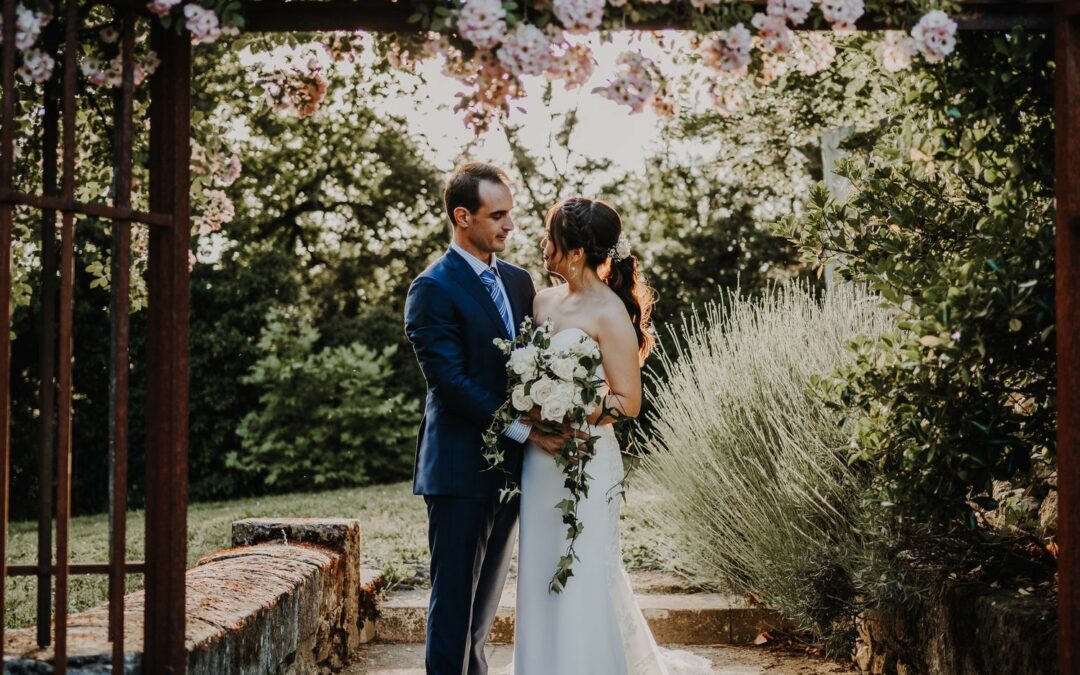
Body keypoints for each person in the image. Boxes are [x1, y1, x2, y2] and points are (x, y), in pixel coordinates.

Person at [510, 197, 713, 674]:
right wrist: (535, 411)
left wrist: (570, 411)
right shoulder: (541, 302)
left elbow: (627, 400)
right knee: (541, 565)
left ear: (575, 251)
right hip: (541, 461)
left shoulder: (610, 313)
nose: (543, 244)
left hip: (585, 458)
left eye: (551, 236)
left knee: (581, 568)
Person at [404, 162, 573, 675]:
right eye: (497, 215)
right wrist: (526, 430)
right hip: (458, 471)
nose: (510, 226)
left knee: (482, 612)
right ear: (462, 217)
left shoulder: (520, 282)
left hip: (512, 470)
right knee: (453, 605)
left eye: (511, 214)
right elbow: (451, 386)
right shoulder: (431, 288)